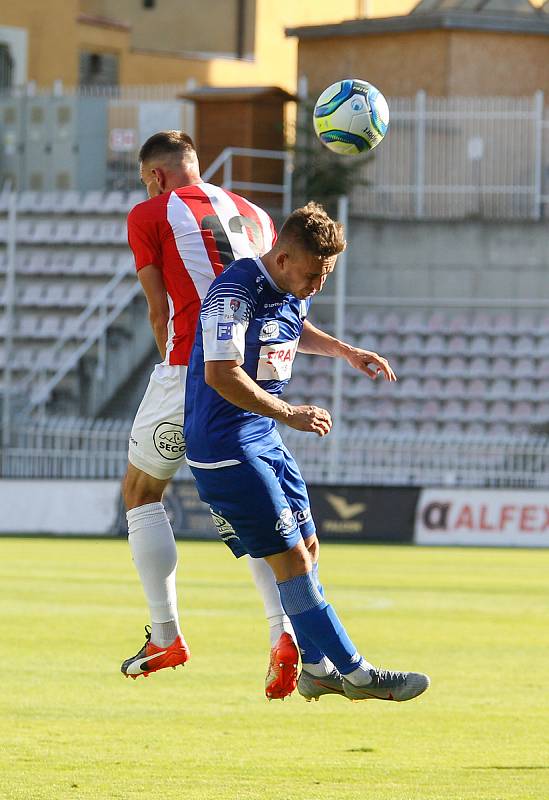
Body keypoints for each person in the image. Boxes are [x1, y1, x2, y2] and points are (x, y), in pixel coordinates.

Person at [184, 201, 430, 702]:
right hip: (225, 444)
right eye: (313, 274)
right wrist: (288, 412)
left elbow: (295, 327)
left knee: (310, 548)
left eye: (325, 275)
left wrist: (346, 351)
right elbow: (219, 373)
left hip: (261, 435)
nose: (317, 285)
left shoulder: (293, 286)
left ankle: (315, 667)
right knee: (294, 560)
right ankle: (358, 674)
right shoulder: (233, 292)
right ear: (283, 256)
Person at [121, 130, 299, 698]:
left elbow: (158, 308)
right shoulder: (254, 213)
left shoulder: (150, 213)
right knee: (250, 509)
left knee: (141, 492)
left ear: (155, 175)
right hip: (250, 375)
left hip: (190, 367)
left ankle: (166, 634)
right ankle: (283, 631)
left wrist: (173, 368)